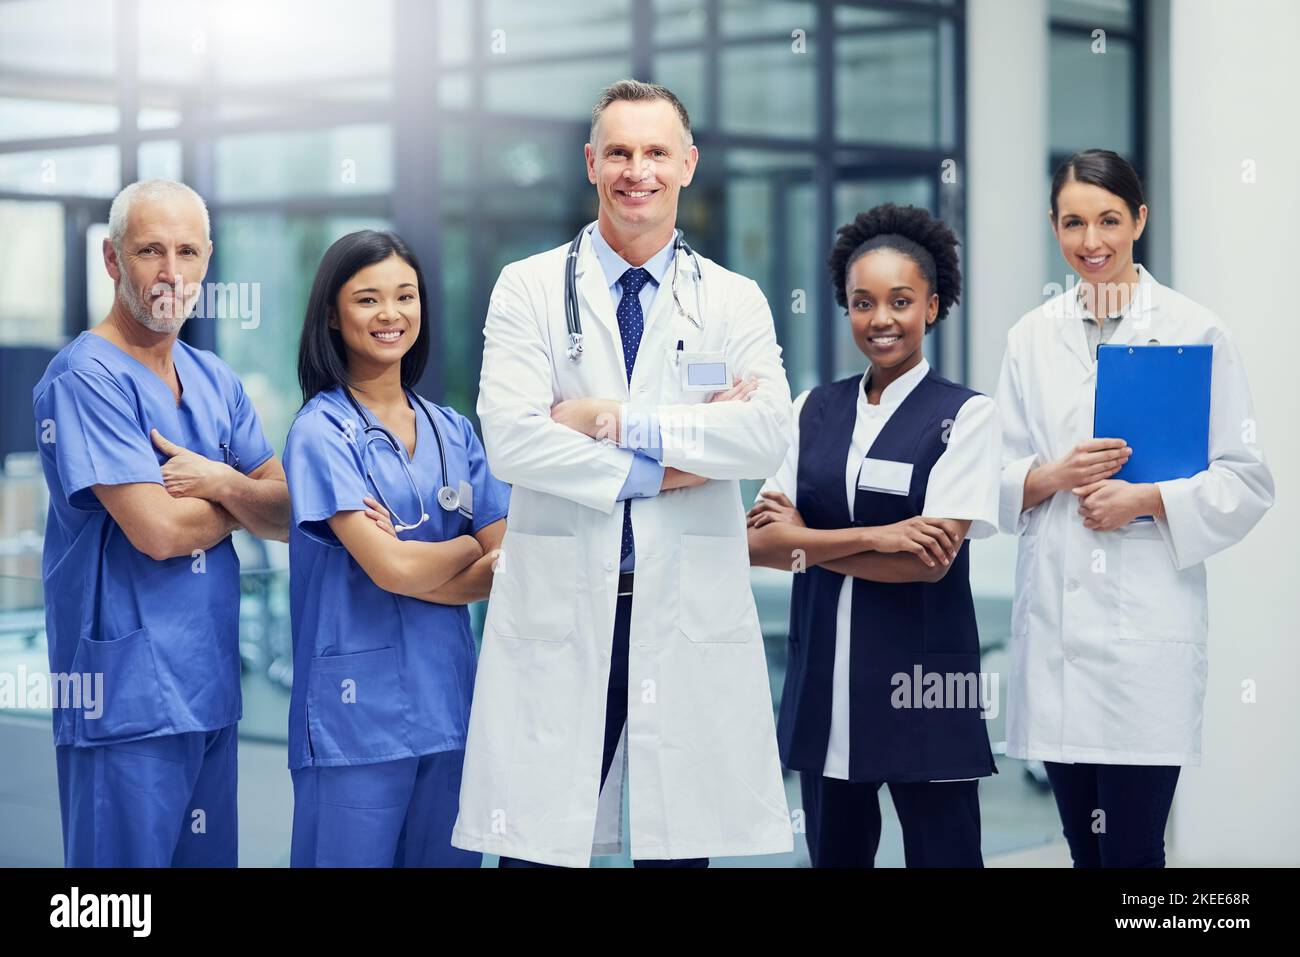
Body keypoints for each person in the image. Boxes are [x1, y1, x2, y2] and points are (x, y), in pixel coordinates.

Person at [450, 79, 794, 867]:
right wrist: (672, 467)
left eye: (655, 152)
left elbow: (765, 436)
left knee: (678, 849)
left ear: (688, 164)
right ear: (591, 163)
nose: (637, 170)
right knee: (538, 849)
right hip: (566, 605)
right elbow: (510, 439)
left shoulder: (735, 301)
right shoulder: (529, 289)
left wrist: (611, 418)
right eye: (619, 152)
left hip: (682, 605)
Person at [995, 149, 1275, 867]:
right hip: (1057, 642)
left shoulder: (1195, 332)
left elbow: (1247, 480)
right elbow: (992, 477)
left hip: (1144, 643)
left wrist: (1147, 499)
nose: (1093, 242)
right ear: (1053, 226)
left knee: (1132, 850)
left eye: (1110, 220)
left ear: (1140, 219)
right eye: (1074, 222)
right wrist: (1053, 474)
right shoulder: (1031, 338)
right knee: (1083, 848)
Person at [32, 179, 290, 867]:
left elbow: (290, 511)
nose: (171, 273)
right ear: (113, 261)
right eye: (149, 251)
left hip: (208, 690)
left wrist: (215, 483)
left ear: (207, 259)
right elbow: (159, 532)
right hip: (123, 700)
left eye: (186, 251)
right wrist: (241, 498)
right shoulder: (83, 379)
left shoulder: (215, 379)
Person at [747, 203, 1001, 867]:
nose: (880, 319)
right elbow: (758, 545)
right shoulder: (813, 410)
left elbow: (928, 562)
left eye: (900, 300)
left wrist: (812, 539)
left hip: (927, 690)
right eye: (862, 302)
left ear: (934, 306)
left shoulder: (966, 417)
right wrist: (882, 537)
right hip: (827, 692)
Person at [283, 230, 509, 867]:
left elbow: (506, 563)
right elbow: (392, 568)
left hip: (450, 709)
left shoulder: (453, 429)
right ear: (332, 313)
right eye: (367, 299)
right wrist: (465, 547)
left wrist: (430, 560)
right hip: (353, 721)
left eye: (405, 296)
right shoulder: (321, 432)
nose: (391, 315)